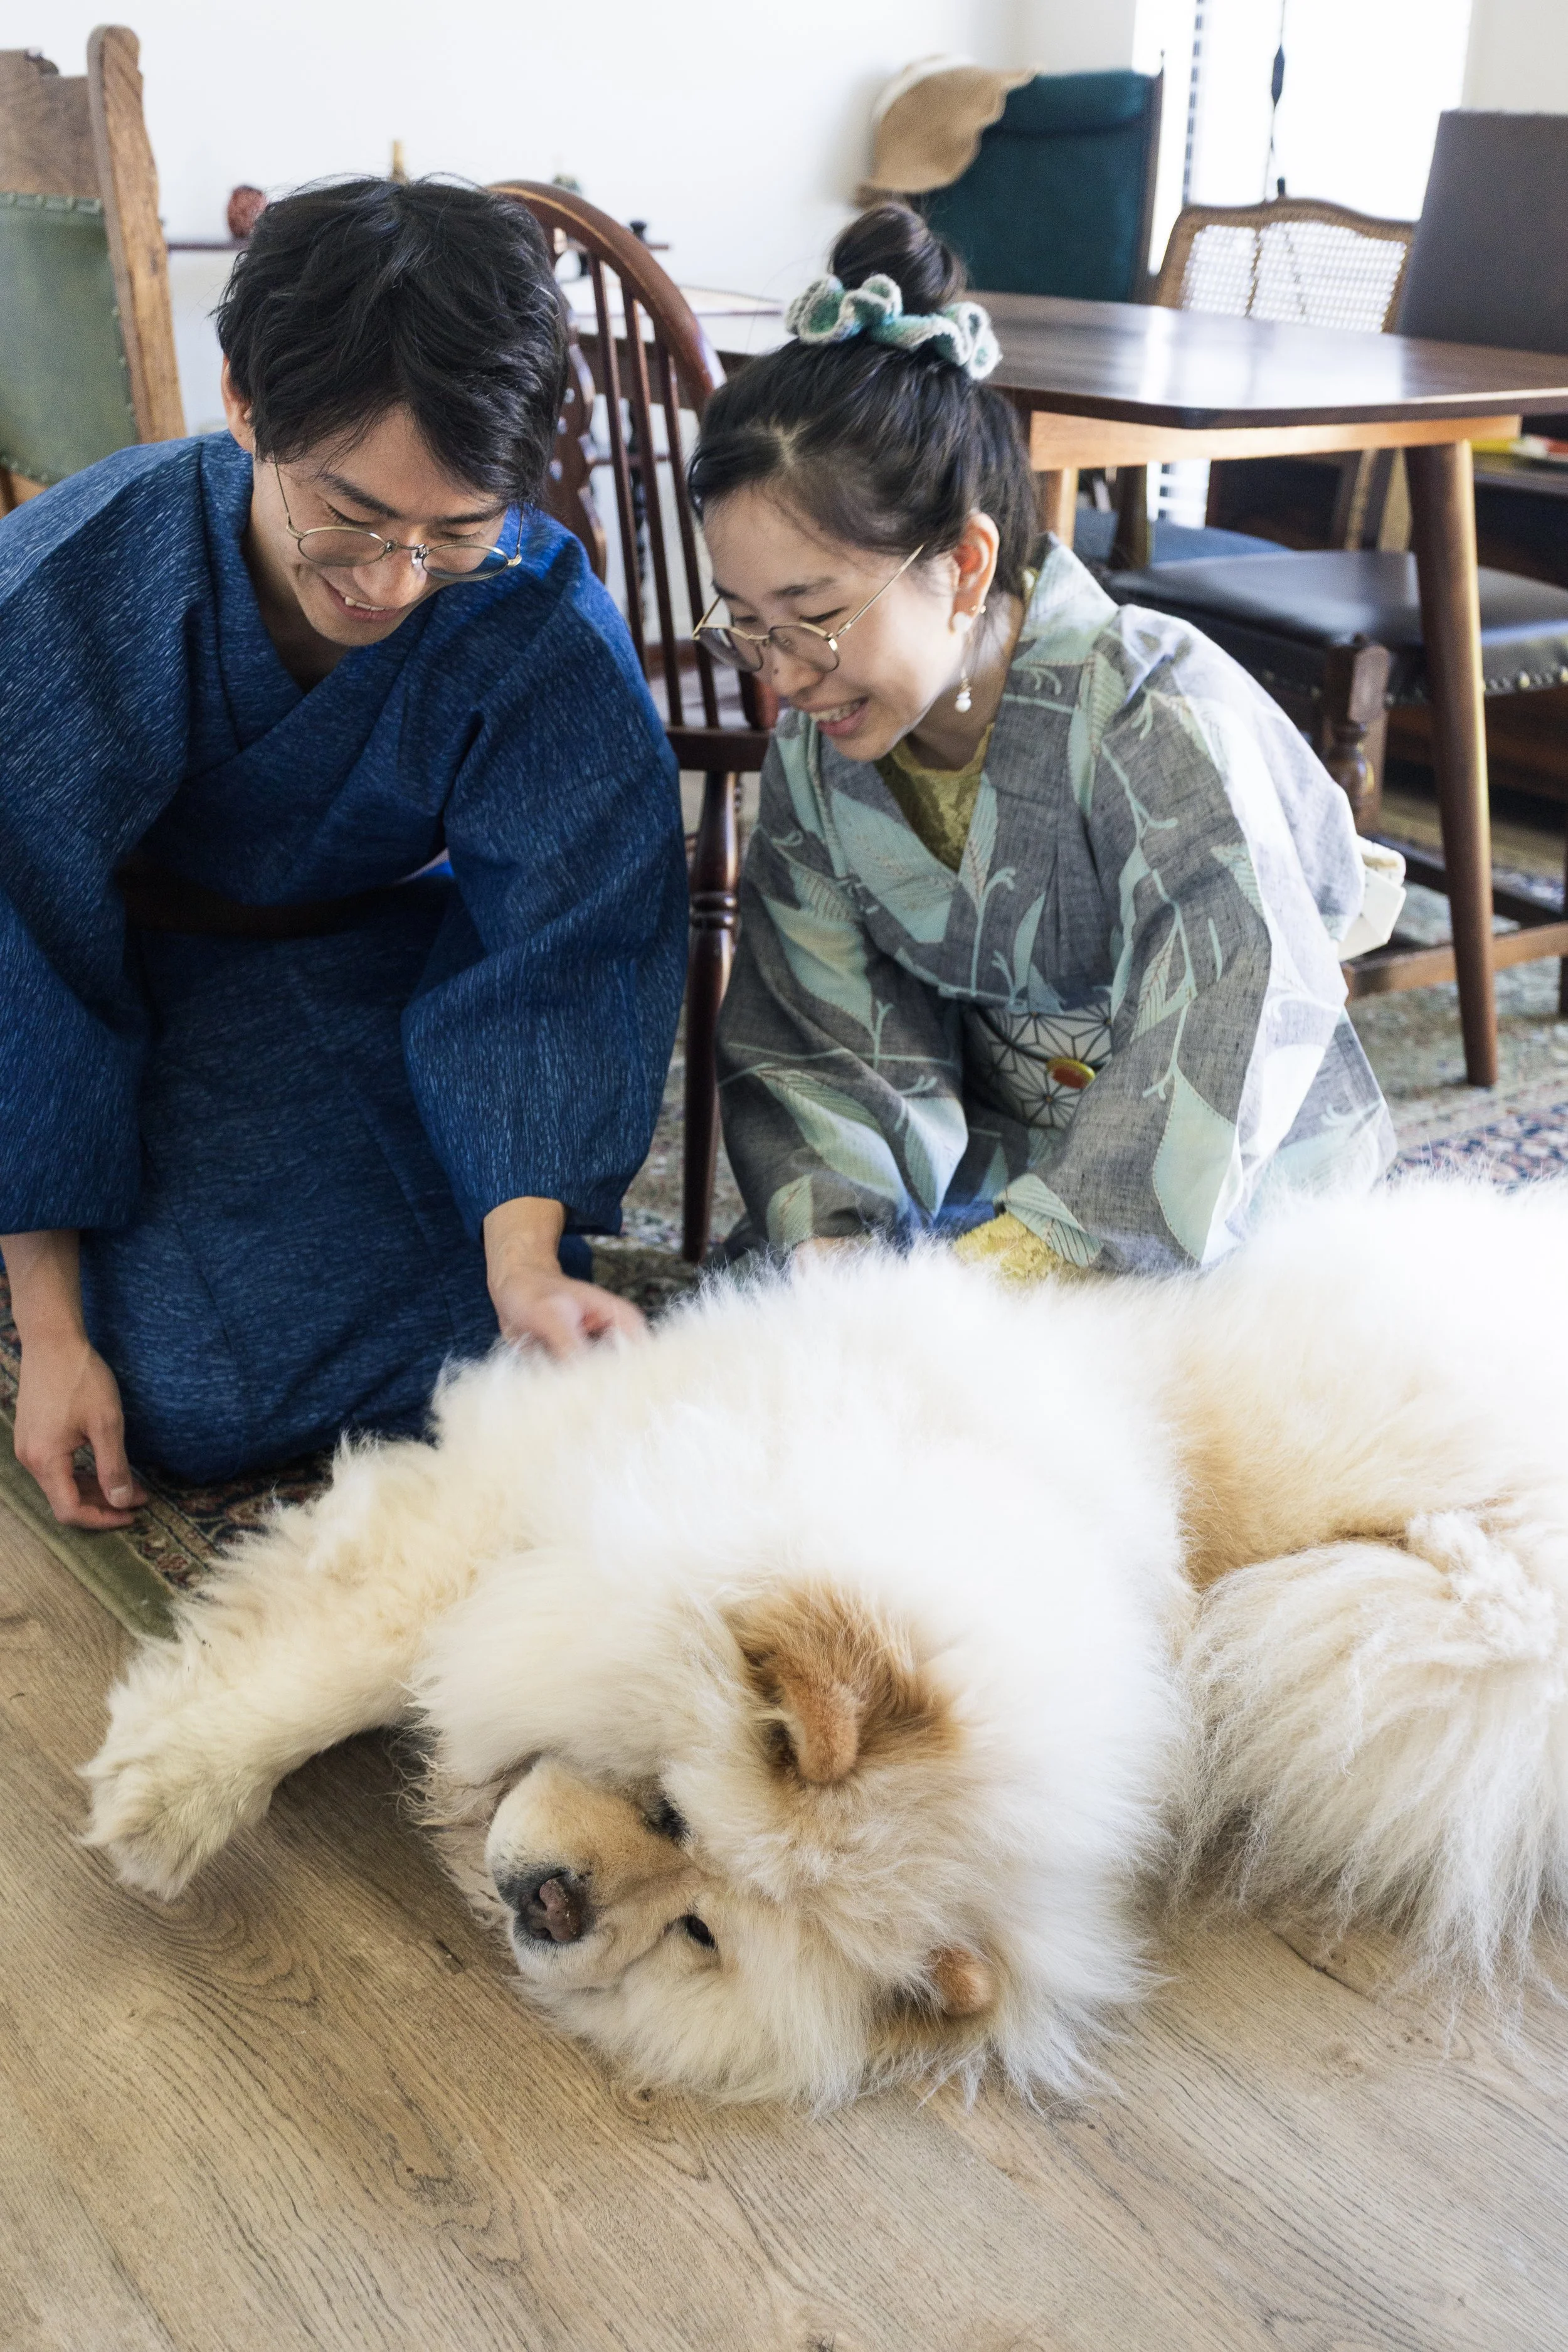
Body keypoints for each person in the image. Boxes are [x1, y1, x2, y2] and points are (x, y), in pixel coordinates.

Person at [0, 179, 687, 1527]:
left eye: (454, 532)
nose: (391, 582)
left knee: (505, 1339)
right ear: (245, 402)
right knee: (193, 1389)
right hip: (118, 987)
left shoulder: (532, 617)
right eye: (351, 516)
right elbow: (21, 950)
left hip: (394, 970)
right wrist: (53, 1326)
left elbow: (557, 946)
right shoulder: (66, 587)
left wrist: (527, 1260)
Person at [687, 206, 1397, 1277]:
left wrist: (1036, 1259)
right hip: (983, 1187)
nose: (781, 674)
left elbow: (1241, 1004)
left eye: (813, 612)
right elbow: (818, 1043)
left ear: (967, 564)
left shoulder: (1156, 712)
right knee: (774, 1321)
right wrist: (843, 1248)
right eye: (746, 622)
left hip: (1214, 1199)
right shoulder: (818, 753)